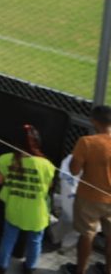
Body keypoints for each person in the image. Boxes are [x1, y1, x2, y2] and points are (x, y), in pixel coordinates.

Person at [0, 124, 55, 274]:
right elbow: (50, 185)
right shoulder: (46, 164)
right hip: (37, 213)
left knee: (8, 239)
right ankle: (30, 268)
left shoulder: (6, 159)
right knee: (35, 242)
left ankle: (1, 268)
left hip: (14, 208)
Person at [65, 105, 111, 274]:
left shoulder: (86, 142)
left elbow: (74, 170)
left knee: (87, 235)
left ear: (93, 121)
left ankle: (80, 271)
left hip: (89, 197)